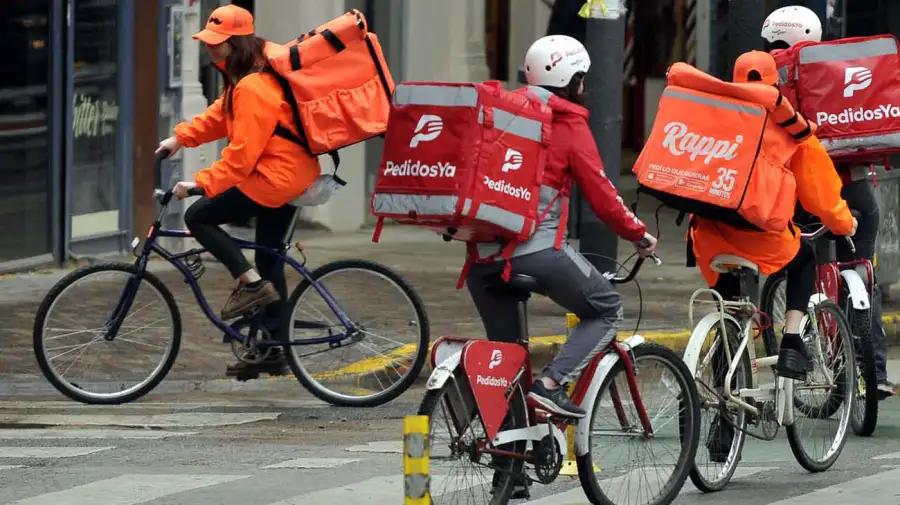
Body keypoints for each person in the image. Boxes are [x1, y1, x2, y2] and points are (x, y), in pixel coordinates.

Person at [465, 35, 657, 420]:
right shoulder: (566, 123)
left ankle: (513, 453)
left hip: (481, 259)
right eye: (582, 78)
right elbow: (602, 195)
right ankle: (551, 386)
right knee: (607, 308)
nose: (584, 87)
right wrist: (638, 234)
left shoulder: (500, 111)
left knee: (509, 366)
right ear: (572, 80)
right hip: (536, 252)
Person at [689, 50, 856, 463]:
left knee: (730, 313)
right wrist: (844, 223)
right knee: (805, 259)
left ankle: (723, 423)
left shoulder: (710, 113)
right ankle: (793, 341)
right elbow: (822, 194)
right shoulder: (787, 125)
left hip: (708, 237)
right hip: (762, 239)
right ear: (776, 85)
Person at [155, 5, 322, 378]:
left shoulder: (253, 87)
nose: (210, 48)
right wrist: (179, 139)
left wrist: (201, 183)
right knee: (268, 260)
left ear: (238, 42)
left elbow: (241, 157)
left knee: (199, 216)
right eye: (209, 41)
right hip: (288, 174)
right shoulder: (249, 76)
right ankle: (273, 348)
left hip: (276, 178)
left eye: (218, 42)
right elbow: (220, 115)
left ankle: (250, 287)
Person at [761, 6, 894, 398]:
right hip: (853, 189)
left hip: (800, 192)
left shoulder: (766, 75)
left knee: (802, 264)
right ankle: (875, 373)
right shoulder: (836, 69)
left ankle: (803, 343)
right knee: (862, 271)